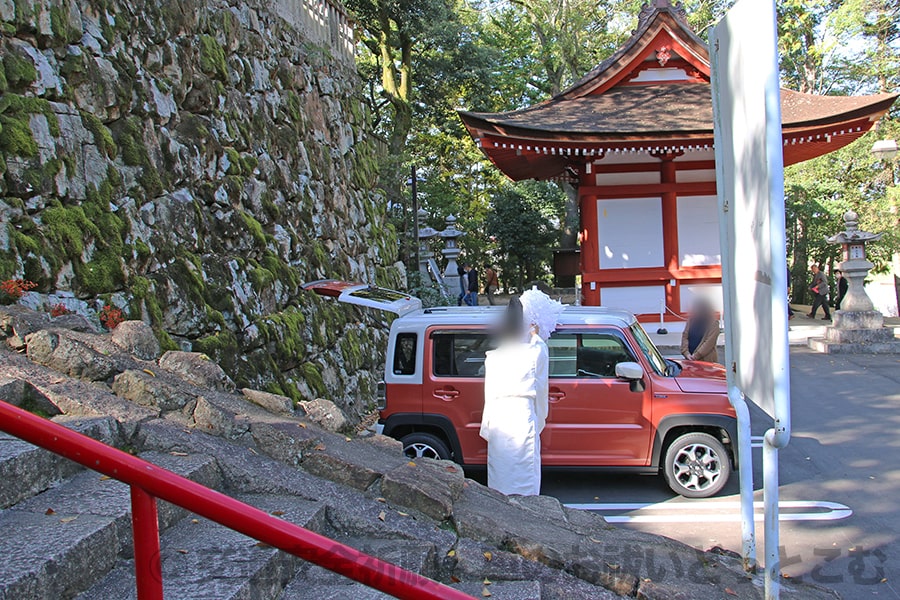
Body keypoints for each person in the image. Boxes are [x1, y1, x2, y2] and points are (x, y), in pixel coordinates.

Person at [480, 289, 561, 496]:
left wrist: (487, 427)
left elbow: (488, 395)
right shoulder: (535, 352)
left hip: (499, 417)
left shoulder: (494, 356)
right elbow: (541, 392)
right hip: (521, 415)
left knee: (500, 470)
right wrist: (540, 419)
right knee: (525, 471)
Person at [680, 297, 720, 363]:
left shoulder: (713, 323)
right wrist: (686, 353)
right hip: (689, 358)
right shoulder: (691, 321)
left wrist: (696, 356)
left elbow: (709, 343)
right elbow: (685, 336)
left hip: (706, 359)